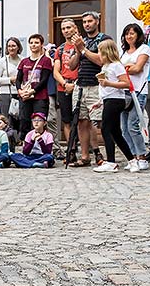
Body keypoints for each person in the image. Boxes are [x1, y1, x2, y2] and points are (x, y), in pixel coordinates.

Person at [68, 11, 113, 167]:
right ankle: (85, 157)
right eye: (84, 22)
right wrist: (76, 49)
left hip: (97, 86)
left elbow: (102, 61)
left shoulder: (104, 39)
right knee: (81, 121)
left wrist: (83, 50)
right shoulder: (82, 40)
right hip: (80, 86)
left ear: (97, 21)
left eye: (90, 21)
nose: (87, 24)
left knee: (99, 122)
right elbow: (72, 65)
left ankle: (106, 156)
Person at [94, 40, 135, 173]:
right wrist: (100, 101)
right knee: (116, 132)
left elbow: (126, 83)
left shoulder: (116, 65)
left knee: (106, 128)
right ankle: (132, 160)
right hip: (108, 99)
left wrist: (109, 83)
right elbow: (106, 89)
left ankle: (111, 162)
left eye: (100, 52)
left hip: (115, 100)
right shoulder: (105, 67)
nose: (98, 54)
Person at [120, 23, 150, 171]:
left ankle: (142, 156)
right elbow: (120, 70)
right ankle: (132, 156)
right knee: (124, 128)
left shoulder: (144, 49)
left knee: (133, 126)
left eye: (132, 33)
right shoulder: (124, 52)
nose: (129, 36)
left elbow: (138, 68)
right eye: (126, 34)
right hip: (123, 92)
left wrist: (127, 68)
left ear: (138, 35)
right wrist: (128, 67)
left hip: (138, 91)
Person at [15, 34, 53, 135]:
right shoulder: (24, 61)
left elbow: (44, 80)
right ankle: (26, 144)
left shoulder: (46, 60)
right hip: (25, 97)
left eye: (36, 43)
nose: (33, 45)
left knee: (39, 121)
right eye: (31, 43)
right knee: (24, 121)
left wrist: (32, 91)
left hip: (40, 96)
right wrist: (20, 91)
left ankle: (40, 144)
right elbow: (18, 79)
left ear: (41, 45)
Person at [53, 19, 80, 156]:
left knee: (81, 120)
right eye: (63, 28)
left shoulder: (82, 45)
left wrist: (74, 85)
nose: (66, 30)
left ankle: (86, 149)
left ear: (75, 28)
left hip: (79, 86)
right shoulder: (60, 49)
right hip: (63, 87)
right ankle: (71, 150)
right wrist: (64, 84)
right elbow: (56, 71)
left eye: (69, 27)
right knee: (67, 120)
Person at [0, 37, 23, 130]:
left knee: (20, 118)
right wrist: (10, 80)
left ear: (18, 47)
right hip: (5, 94)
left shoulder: (23, 60)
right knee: (7, 119)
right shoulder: (2, 61)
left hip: (19, 93)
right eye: (9, 46)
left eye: (14, 46)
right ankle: (7, 140)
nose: (11, 48)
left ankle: (18, 139)